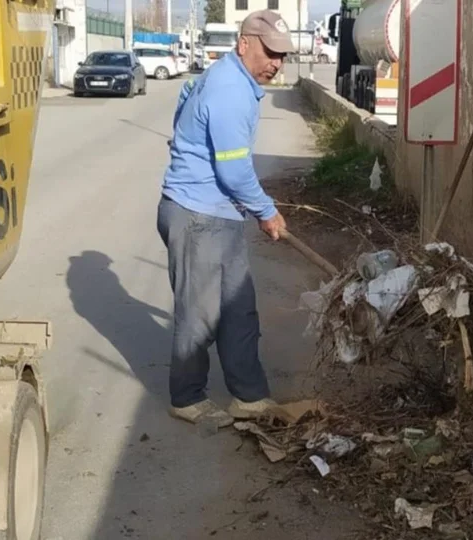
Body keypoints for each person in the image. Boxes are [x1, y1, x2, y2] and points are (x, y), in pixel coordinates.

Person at [156, 10, 295, 428]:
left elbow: (182, 110)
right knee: (198, 314)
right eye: (270, 53)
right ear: (244, 43)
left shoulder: (227, 79)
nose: (276, 63)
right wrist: (267, 212)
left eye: (282, 56)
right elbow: (235, 172)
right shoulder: (230, 90)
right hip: (197, 215)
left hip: (219, 213)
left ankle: (248, 396)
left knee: (238, 309)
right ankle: (187, 397)